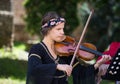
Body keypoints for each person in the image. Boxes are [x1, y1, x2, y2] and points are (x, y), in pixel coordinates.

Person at [26, 11, 111, 84]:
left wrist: (97, 64)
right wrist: (57, 66)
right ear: (48, 30)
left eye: (63, 29)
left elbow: (80, 73)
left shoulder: (64, 51)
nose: (62, 32)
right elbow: (34, 70)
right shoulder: (37, 49)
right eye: (58, 29)